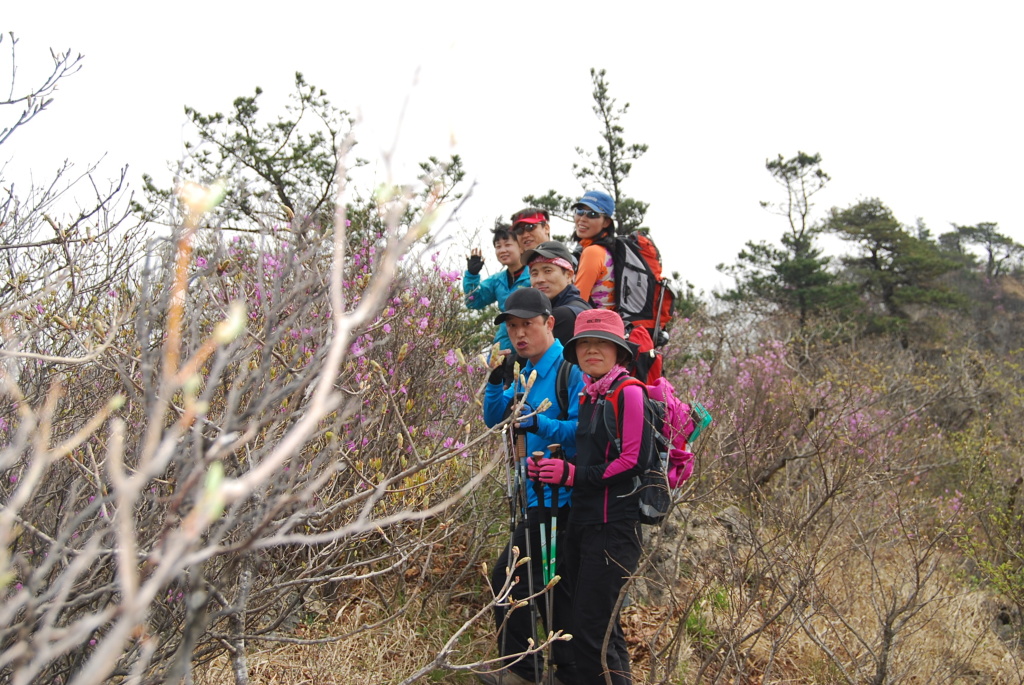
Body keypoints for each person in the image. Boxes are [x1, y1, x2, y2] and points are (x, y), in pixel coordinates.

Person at [529, 309, 652, 685]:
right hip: (584, 523)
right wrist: (554, 469)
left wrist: (572, 475)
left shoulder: (629, 393)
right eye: (584, 344)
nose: (592, 350)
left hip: (614, 527)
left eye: (603, 344)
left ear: (620, 352)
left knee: (590, 630)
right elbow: (587, 449)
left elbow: (633, 460)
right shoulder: (590, 394)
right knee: (597, 628)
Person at [481, 287, 584, 685]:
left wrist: (539, 422)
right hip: (535, 498)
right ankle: (558, 672)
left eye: (527, 325)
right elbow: (496, 418)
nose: (519, 334)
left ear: (549, 323)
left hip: (563, 499)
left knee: (515, 577)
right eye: (512, 327)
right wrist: (496, 379)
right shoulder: (526, 372)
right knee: (545, 585)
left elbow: (583, 431)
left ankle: (526, 673)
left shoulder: (568, 371)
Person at [463, 222, 531, 359]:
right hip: (505, 344)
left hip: (532, 343)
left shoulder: (534, 275)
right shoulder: (498, 280)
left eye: (508, 245)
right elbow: (473, 301)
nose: (502, 250)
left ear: (521, 247)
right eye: (498, 246)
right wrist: (472, 275)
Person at [521, 241, 591, 347]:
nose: (539, 279)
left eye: (548, 271)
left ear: (568, 275)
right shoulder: (577, 306)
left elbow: (531, 358)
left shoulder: (565, 315)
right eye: (534, 273)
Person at [570, 190, 617, 310]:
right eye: (580, 212)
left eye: (592, 214)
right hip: (610, 325)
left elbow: (578, 301)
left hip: (594, 325)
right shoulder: (608, 251)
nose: (582, 219)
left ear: (606, 222)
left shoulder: (593, 252)